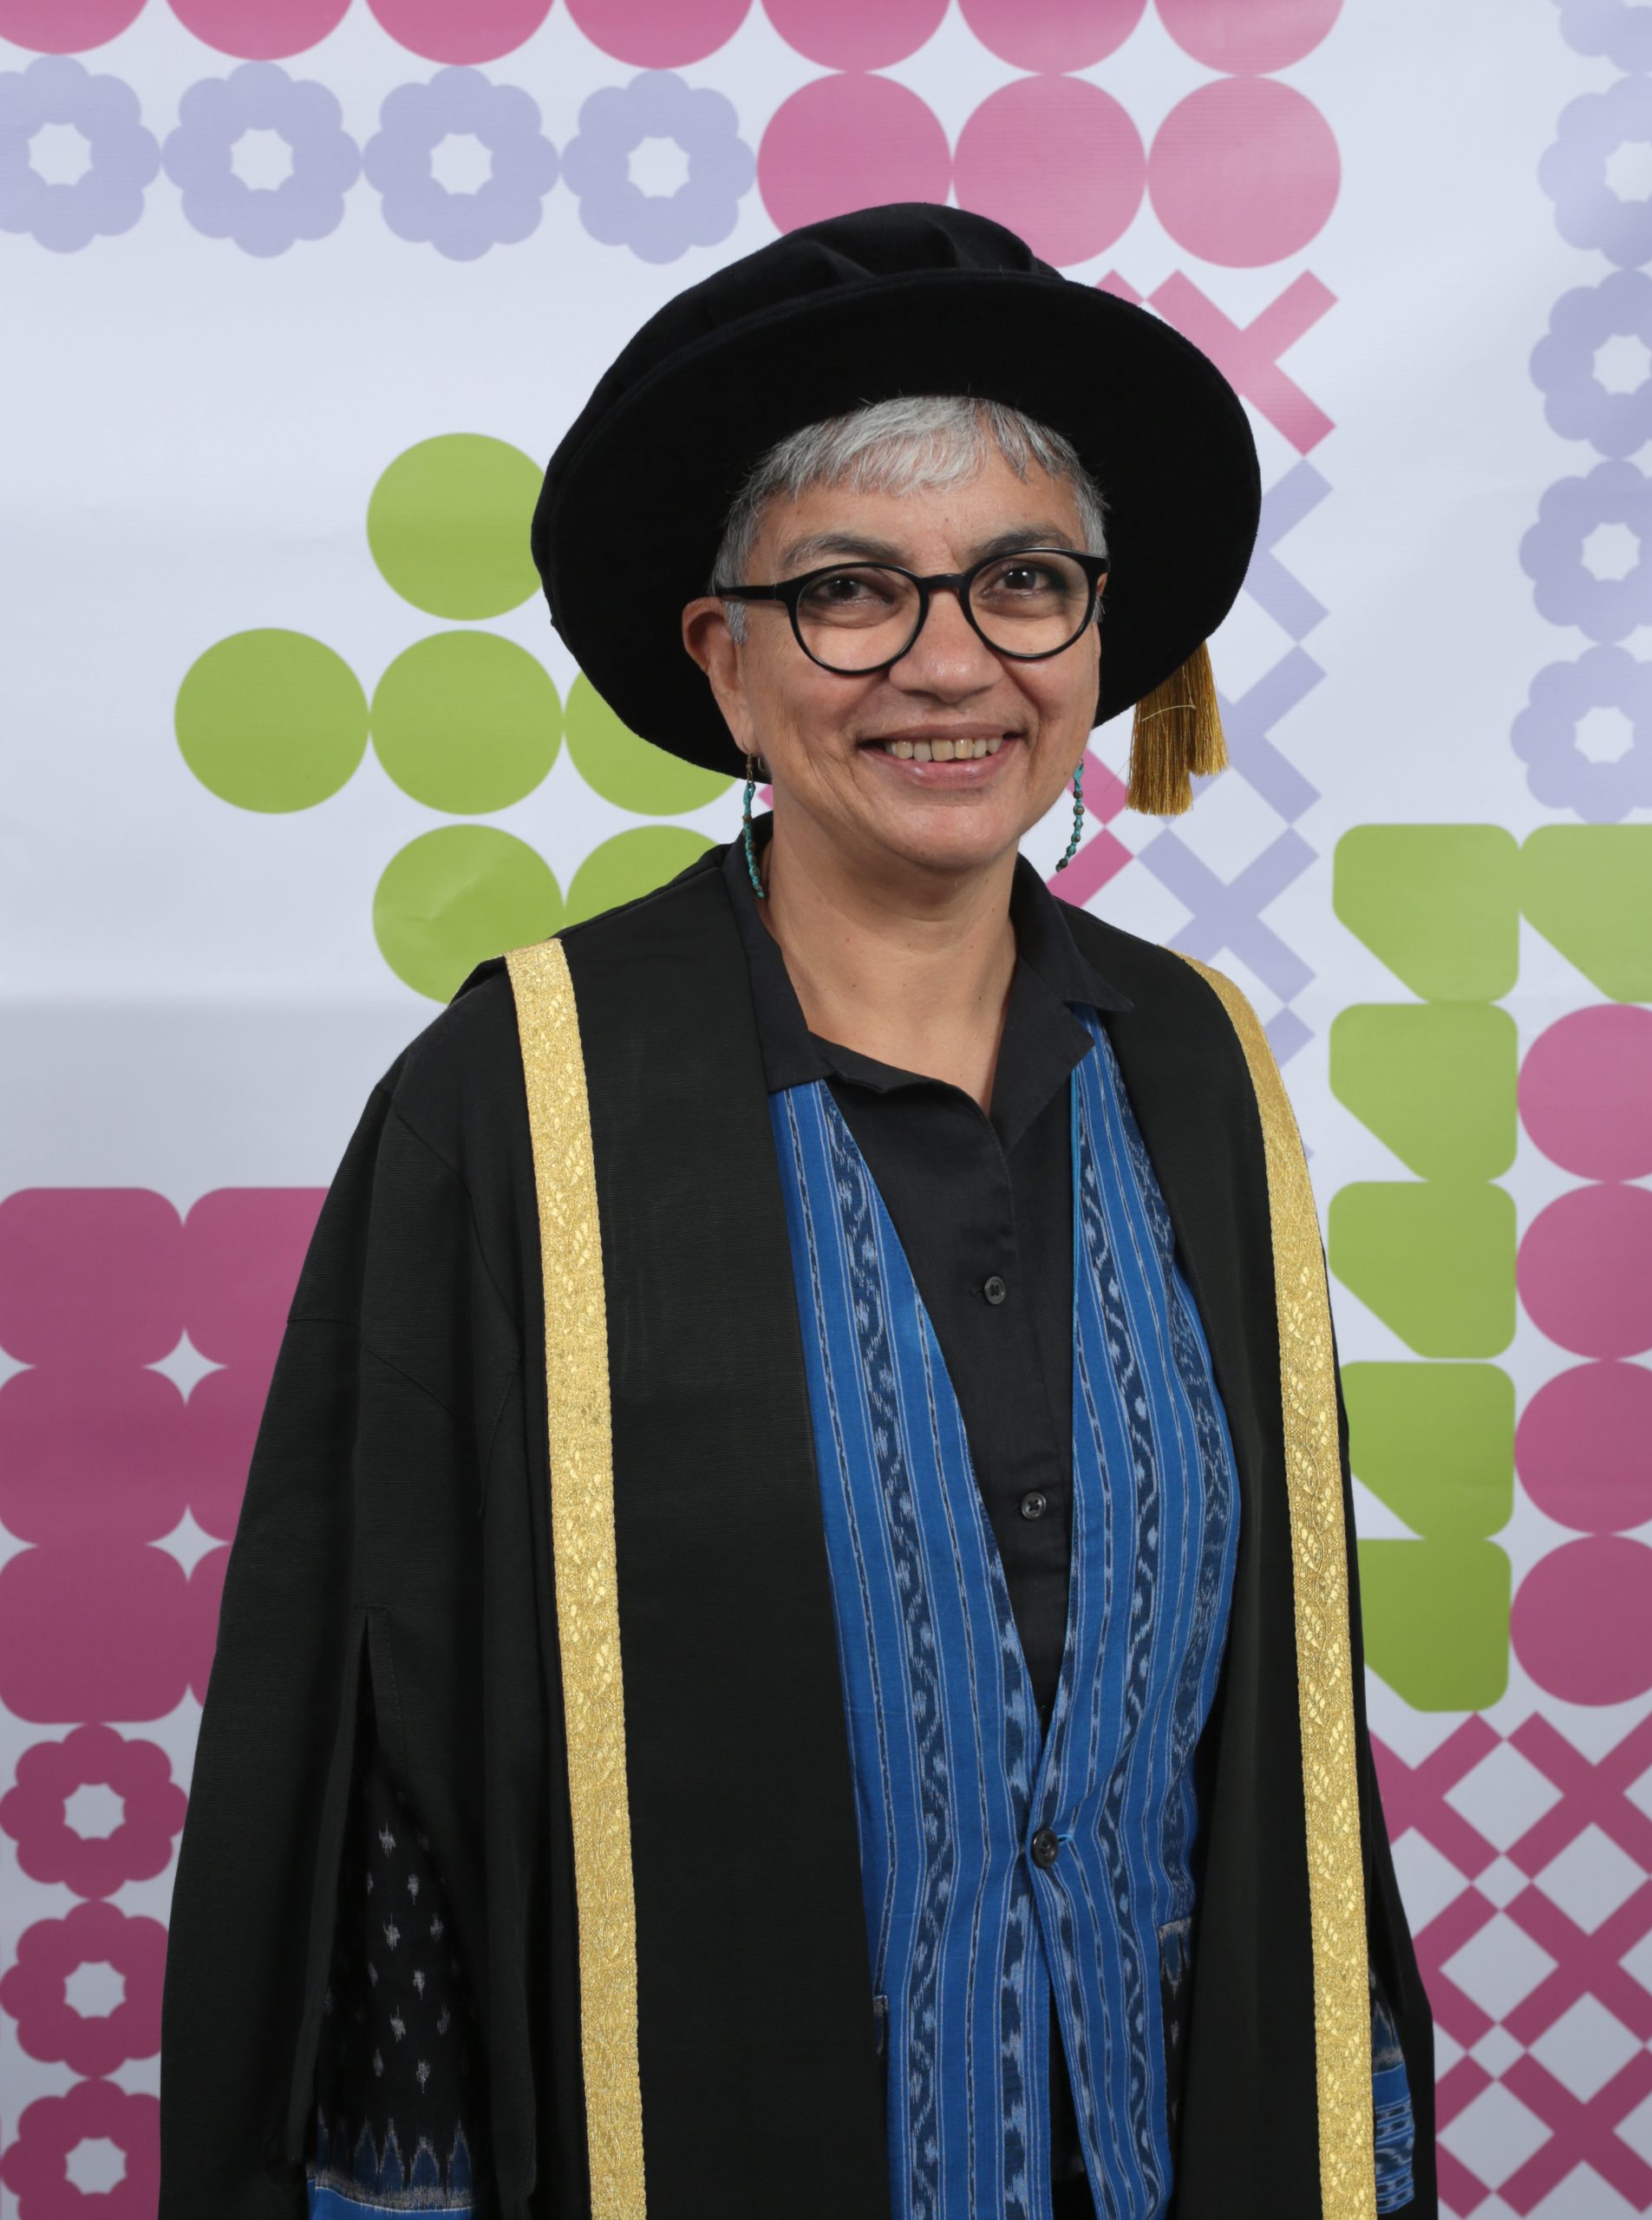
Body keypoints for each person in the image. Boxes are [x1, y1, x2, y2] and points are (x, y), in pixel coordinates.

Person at [158, 203, 1434, 2219]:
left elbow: (1276, 1729)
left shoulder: (1197, 1071)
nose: (951, 662)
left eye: (1025, 582)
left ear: (1101, 640)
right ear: (726, 661)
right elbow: (385, 1769)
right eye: (851, 590)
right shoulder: (525, 1102)